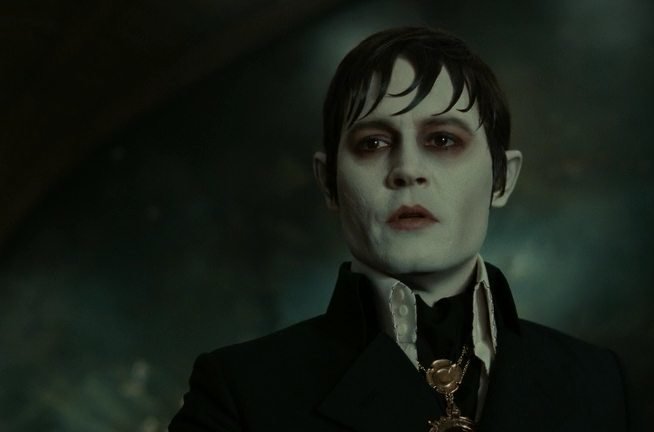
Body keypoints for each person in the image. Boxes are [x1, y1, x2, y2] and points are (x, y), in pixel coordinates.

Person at [169, 26, 628, 431]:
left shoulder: (598, 380)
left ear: (502, 178)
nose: (407, 169)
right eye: (373, 142)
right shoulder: (239, 392)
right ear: (329, 183)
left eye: (443, 139)